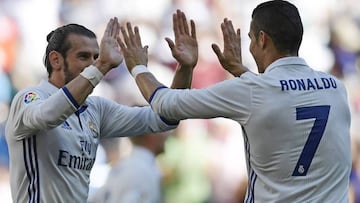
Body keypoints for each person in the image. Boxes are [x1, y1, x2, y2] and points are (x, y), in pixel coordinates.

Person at [118, 1, 352, 202]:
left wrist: (138, 66)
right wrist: (242, 71)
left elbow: (166, 105)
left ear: (262, 39)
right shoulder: (336, 88)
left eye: (250, 39)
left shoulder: (251, 91)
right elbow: (284, 95)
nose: (249, 48)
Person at [5, 15, 196, 202]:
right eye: (83, 56)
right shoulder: (29, 98)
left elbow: (163, 118)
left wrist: (185, 69)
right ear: (55, 60)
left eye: (96, 57)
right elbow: (48, 116)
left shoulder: (96, 109)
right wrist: (102, 65)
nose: (92, 64)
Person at [89, 130, 171, 203]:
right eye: (163, 128)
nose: (167, 134)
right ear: (152, 134)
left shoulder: (124, 166)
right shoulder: (142, 171)